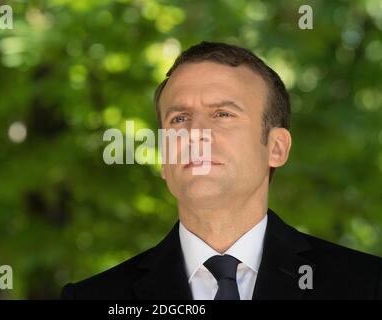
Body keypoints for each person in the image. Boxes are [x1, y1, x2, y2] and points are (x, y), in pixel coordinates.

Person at [61, 41, 382, 300]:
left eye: (223, 114)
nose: (196, 133)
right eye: (179, 119)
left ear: (276, 148)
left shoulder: (367, 286)